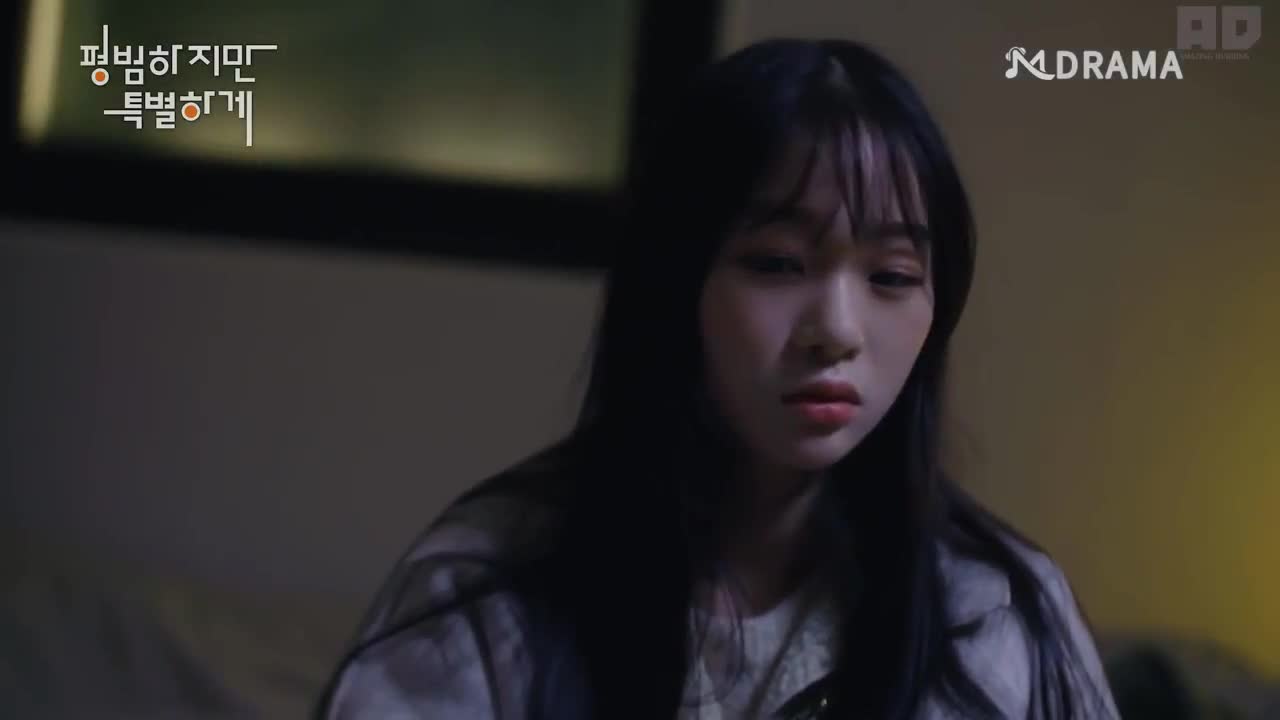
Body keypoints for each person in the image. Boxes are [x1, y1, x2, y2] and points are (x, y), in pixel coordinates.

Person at [315, 37, 1120, 719]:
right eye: (777, 264)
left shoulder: (994, 613)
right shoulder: (496, 588)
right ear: (675, 279)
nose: (838, 331)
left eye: (892, 277)